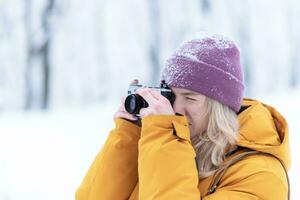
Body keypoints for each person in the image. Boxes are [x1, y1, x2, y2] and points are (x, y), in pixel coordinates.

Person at [76, 34, 290, 199]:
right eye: (171, 96)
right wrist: (130, 135)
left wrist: (164, 135)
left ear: (219, 107)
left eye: (190, 98)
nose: (177, 108)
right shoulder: (166, 147)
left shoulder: (260, 174)